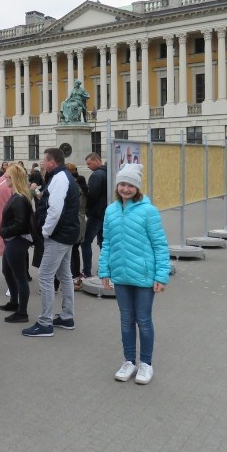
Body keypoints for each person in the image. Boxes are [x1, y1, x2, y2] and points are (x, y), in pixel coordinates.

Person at [99, 164, 170, 385]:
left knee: (144, 320)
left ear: (137, 188)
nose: (126, 189)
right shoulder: (110, 210)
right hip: (120, 275)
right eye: (122, 184)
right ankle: (129, 361)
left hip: (144, 277)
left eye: (130, 185)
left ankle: (145, 364)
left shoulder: (148, 211)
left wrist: (161, 276)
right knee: (126, 320)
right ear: (117, 185)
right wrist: (104, 271)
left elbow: (160, 245)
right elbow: (107, 243)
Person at [22, 148, 80, 338]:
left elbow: (55, 210)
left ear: (52, 162)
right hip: (66, 233)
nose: (41, 163)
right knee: (65, 275)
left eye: (44, 160)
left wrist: (45, 232)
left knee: (45, 276)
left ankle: (45, 323)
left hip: (58, 235)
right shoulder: (62, 176)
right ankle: (66, 317)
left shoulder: (59, 178)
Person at [0, 164, 34, 323]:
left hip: (17, 241)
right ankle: (14, 302)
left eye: (7, 176)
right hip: (12, 240)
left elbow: (22, 224)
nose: (5, 178)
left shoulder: (19, 198)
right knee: (6, 270)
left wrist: (5, 231)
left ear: (14, 178)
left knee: (20, 277)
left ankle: (22, 313)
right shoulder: (17, 195)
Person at [82, 153, 108, 282]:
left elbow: (92, 196)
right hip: (105, 214)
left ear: (97, 161)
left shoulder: (97, 175)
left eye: (89, 163)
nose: (88, 166)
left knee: (85, 242)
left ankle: (86, 271)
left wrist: (87, 209)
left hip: (96, 214)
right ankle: (103, 270)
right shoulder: (108, 172)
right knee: (103, 243)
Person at [65, 163, 88, 291]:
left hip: (76, 221)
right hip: (81, 220)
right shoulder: (81, 185)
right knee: (75, 250)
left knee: (72, 250)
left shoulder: (74, 186)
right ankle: (76, 276)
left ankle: (74, 278)